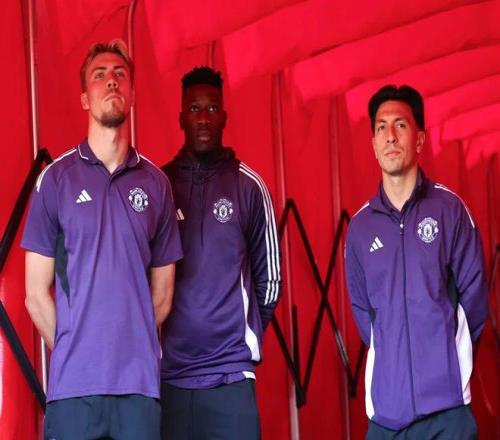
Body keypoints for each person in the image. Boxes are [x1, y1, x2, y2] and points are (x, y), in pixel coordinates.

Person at [22, 39, 183, 439]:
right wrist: (78, 350)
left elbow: (163, 295)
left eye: (119, 74)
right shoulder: (55, 181)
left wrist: (128, 344)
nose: (111, 81)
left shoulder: (157, 185)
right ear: (84, 98)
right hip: (73, 392)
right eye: (100, 75)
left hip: (139, 388)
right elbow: (34, 294)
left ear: (132, 93)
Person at [344, 85, 488, 439]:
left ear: (420, 139)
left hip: (447, 414)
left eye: (400, 125)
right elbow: (364, 314)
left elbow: (474, 304)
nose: (390, 136)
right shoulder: (360, 228)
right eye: (381, 127)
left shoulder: (449, 210)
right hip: (386, 418)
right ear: (373, 144)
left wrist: (445, 363)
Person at [160, 66, 281, 439]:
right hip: (171, 376)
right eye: (195, 109)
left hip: (231, 374)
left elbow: (270, 280)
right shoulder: (159, 186)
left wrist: (242, 332)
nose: (203, 118)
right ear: (181, 117)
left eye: (212, 109)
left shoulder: (248, 185)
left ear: (224, 117)